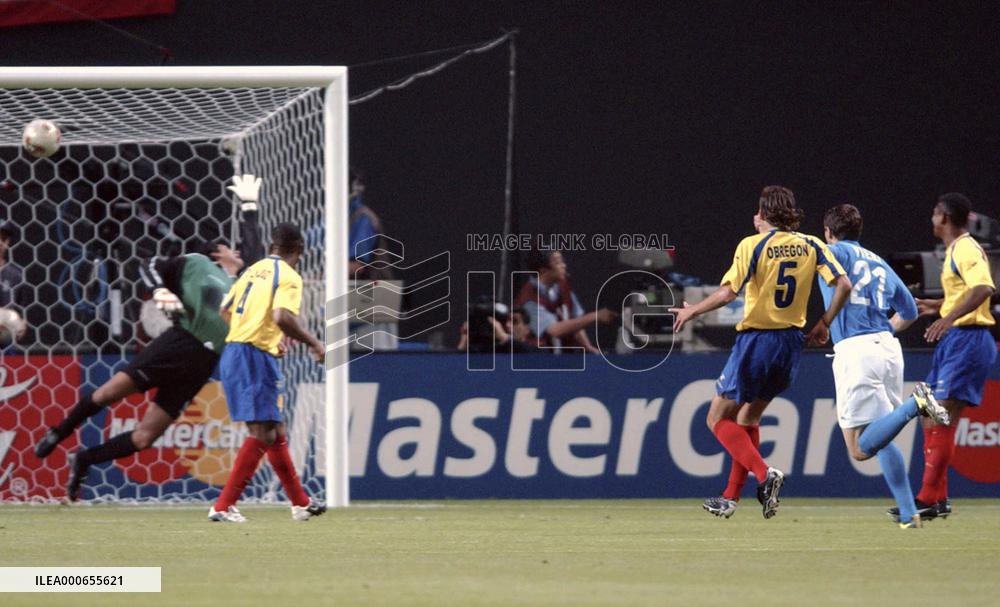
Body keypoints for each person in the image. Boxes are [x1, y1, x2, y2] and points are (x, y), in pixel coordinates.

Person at [34, 175, 266, 502]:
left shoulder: (242, 285)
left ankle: (84, 459)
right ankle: (59, 432)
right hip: (178, 344)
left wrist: (251, 207)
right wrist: (160, 291)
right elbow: (150, 267)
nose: (237, 251)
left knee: (145, 438)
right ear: (216, 254)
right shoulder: (198, 265)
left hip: (201, 365)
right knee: (104, 395)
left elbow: (255, 252)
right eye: (231, 248)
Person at [671, 186, 852, 519]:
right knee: (748, 418)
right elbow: (843, 284)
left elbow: (728, 293)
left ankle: (764, 473)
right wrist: (825, 322)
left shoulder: (752, 245)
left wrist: (692, 311)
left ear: (766, 214)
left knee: (716, 418)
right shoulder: (812, 244)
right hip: (790, 345)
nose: (754, 217)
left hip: (757, 342)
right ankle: (730, 498)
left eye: (757, 211)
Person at [815, 204, 949, 529]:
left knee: (860, 448)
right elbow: (910, 311)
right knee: (881, 435)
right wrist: (882, 331)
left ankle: (915, 404)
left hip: (856, 350)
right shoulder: (879, 262)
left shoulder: (830, 252)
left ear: (829, 233)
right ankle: (908, 513)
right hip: (887, 348)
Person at [886, 193, 996, 522]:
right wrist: (934, 307)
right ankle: (937, 498)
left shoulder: (964, 247)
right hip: (958, 339)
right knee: (930, 417)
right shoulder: (954, 251)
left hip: (969, 340)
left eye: (935, 213)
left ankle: (925, 499)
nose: (932, 219)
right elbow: (965, 294)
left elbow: (984, 288)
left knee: (942, 416)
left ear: (944, 217)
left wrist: (948, 319)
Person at [208, 222, 326, 523]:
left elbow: (225, 309)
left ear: (272, 247)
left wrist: (262, 335)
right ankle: (223, 506)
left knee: (275, 430)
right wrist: (313, 342)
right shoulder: (288, 275)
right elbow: (282, 316)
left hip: (237, 351)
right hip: (252, 355)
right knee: (263, 432)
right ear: (300, 249)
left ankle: (300, 503)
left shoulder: (254, 269)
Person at [515, 250, 616, 353]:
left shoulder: (562, 287)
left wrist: (588, 347)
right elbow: (554, 330)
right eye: (558, 262)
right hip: (538, 360)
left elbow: (575, 320)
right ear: (543, 270)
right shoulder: (528, 299)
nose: (564, 266)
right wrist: (595, 316)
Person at [0, 222, 28, 341]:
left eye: (3, 239)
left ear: (8, 242)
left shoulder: (16, 276)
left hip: (7, 347)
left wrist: (18, 326)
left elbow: (22, 317)